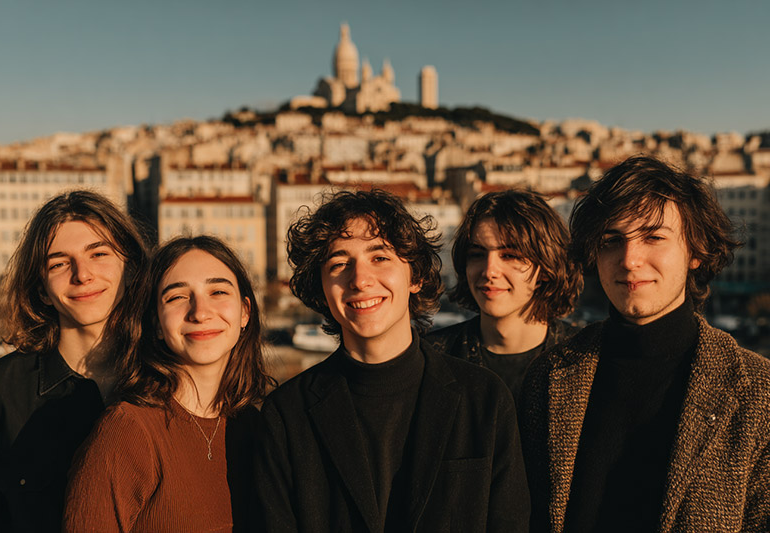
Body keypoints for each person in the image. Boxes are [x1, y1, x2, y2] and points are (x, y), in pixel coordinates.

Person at [520, 155, 770, 532]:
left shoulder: (757, 394)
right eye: (611, 240)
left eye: (653, 237)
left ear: (696, 251)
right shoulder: (552, 376)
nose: (630, 259)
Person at [255, 188, 530, 532]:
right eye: (339, 264)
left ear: (415, 276)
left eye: (380, 257)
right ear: (322, 289)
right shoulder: (286, 415)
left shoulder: (485, 400)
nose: (360, 279)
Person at [63, 236, 271, 531]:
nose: (200, 312)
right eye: (177, 297)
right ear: (157, 324)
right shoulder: (128, 431)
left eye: (218, 291)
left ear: (245, 312)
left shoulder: (255, 426)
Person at [0, 190, 149, 532]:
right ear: (41, 290)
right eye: (59, 263)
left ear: (131, 268)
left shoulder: (171, 381)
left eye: (98, 253)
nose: (82, 274)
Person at [428, 190, 582, 404]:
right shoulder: (432, 358)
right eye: (477, 254)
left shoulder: (585, 359)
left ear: (545, 268)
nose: (490, 270)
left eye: (510, 255)